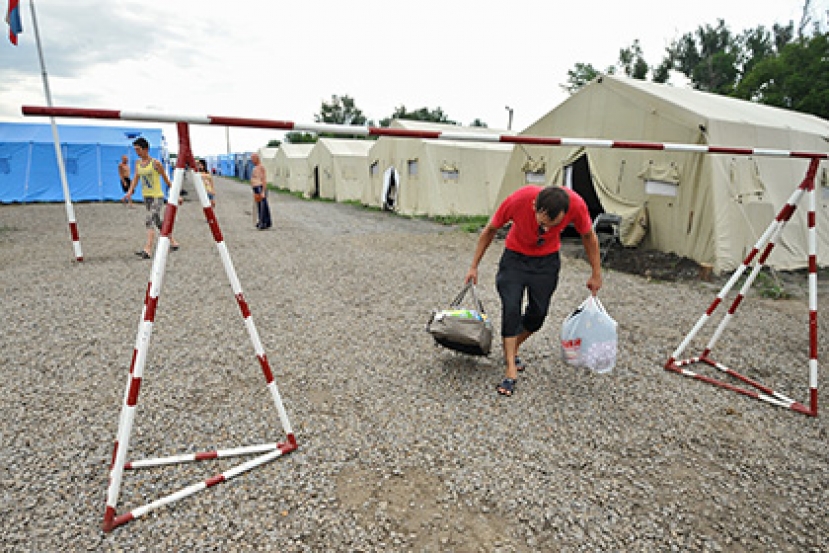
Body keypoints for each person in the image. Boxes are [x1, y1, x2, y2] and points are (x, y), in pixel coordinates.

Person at [464, 185, 602, 397]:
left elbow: (589, 237)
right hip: (515, 260)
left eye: (553, 226)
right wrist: (474, 266)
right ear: (534, 206)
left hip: (546, 263)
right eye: (543, 224)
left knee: (538, 314)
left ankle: (511, 346)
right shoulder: (518, 199)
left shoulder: (577, 205)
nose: (546, 230)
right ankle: (510, 368)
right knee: (511, 309)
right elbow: (490, 230)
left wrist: (596, 272)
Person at [122, 137, 180, 259]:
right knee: (157, 221)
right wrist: (130, 192)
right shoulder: (138, 164)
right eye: (135, 150)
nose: (137, 152)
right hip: (146, 196)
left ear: (146, 149)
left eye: (138, 149)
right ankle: (173, 242)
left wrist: (176, 194)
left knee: (150, 220)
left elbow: (166, 179)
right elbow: (136, 179)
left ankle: (147, 249)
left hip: (157, 196)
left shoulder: (155, 163)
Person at [250, 153, 272, 230]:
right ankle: (261, 221)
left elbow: (264, 179)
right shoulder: (255, 168)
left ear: (257, 159)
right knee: (259, 205)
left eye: (253, 159)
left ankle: (264, 222)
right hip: (256, 188)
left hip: (260, 187)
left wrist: (263, 191)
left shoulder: (261, 167)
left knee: (263, 206)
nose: (252, 160)